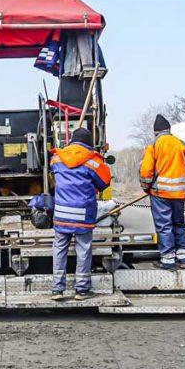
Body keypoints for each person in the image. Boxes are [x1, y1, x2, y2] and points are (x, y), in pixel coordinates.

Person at [139, 114, 185, 270]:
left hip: (160, 195)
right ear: (169, 130)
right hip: (179, 195)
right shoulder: (181, 145)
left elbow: (145, 172)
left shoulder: (154, 146)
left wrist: (147, 187)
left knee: (164, 226)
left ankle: (168, 260)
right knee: (179, 224)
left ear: (156, 132)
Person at [49, 127, 111, 301]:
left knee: (59, 249)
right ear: (89, 143)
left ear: (71, 141)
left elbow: (53, 176)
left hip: (62, 213)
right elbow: (104, 183)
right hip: (83, 214)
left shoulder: (57, 158)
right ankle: (81, 291)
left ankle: (57, 290)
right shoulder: (93, 161)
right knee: (83, 250)